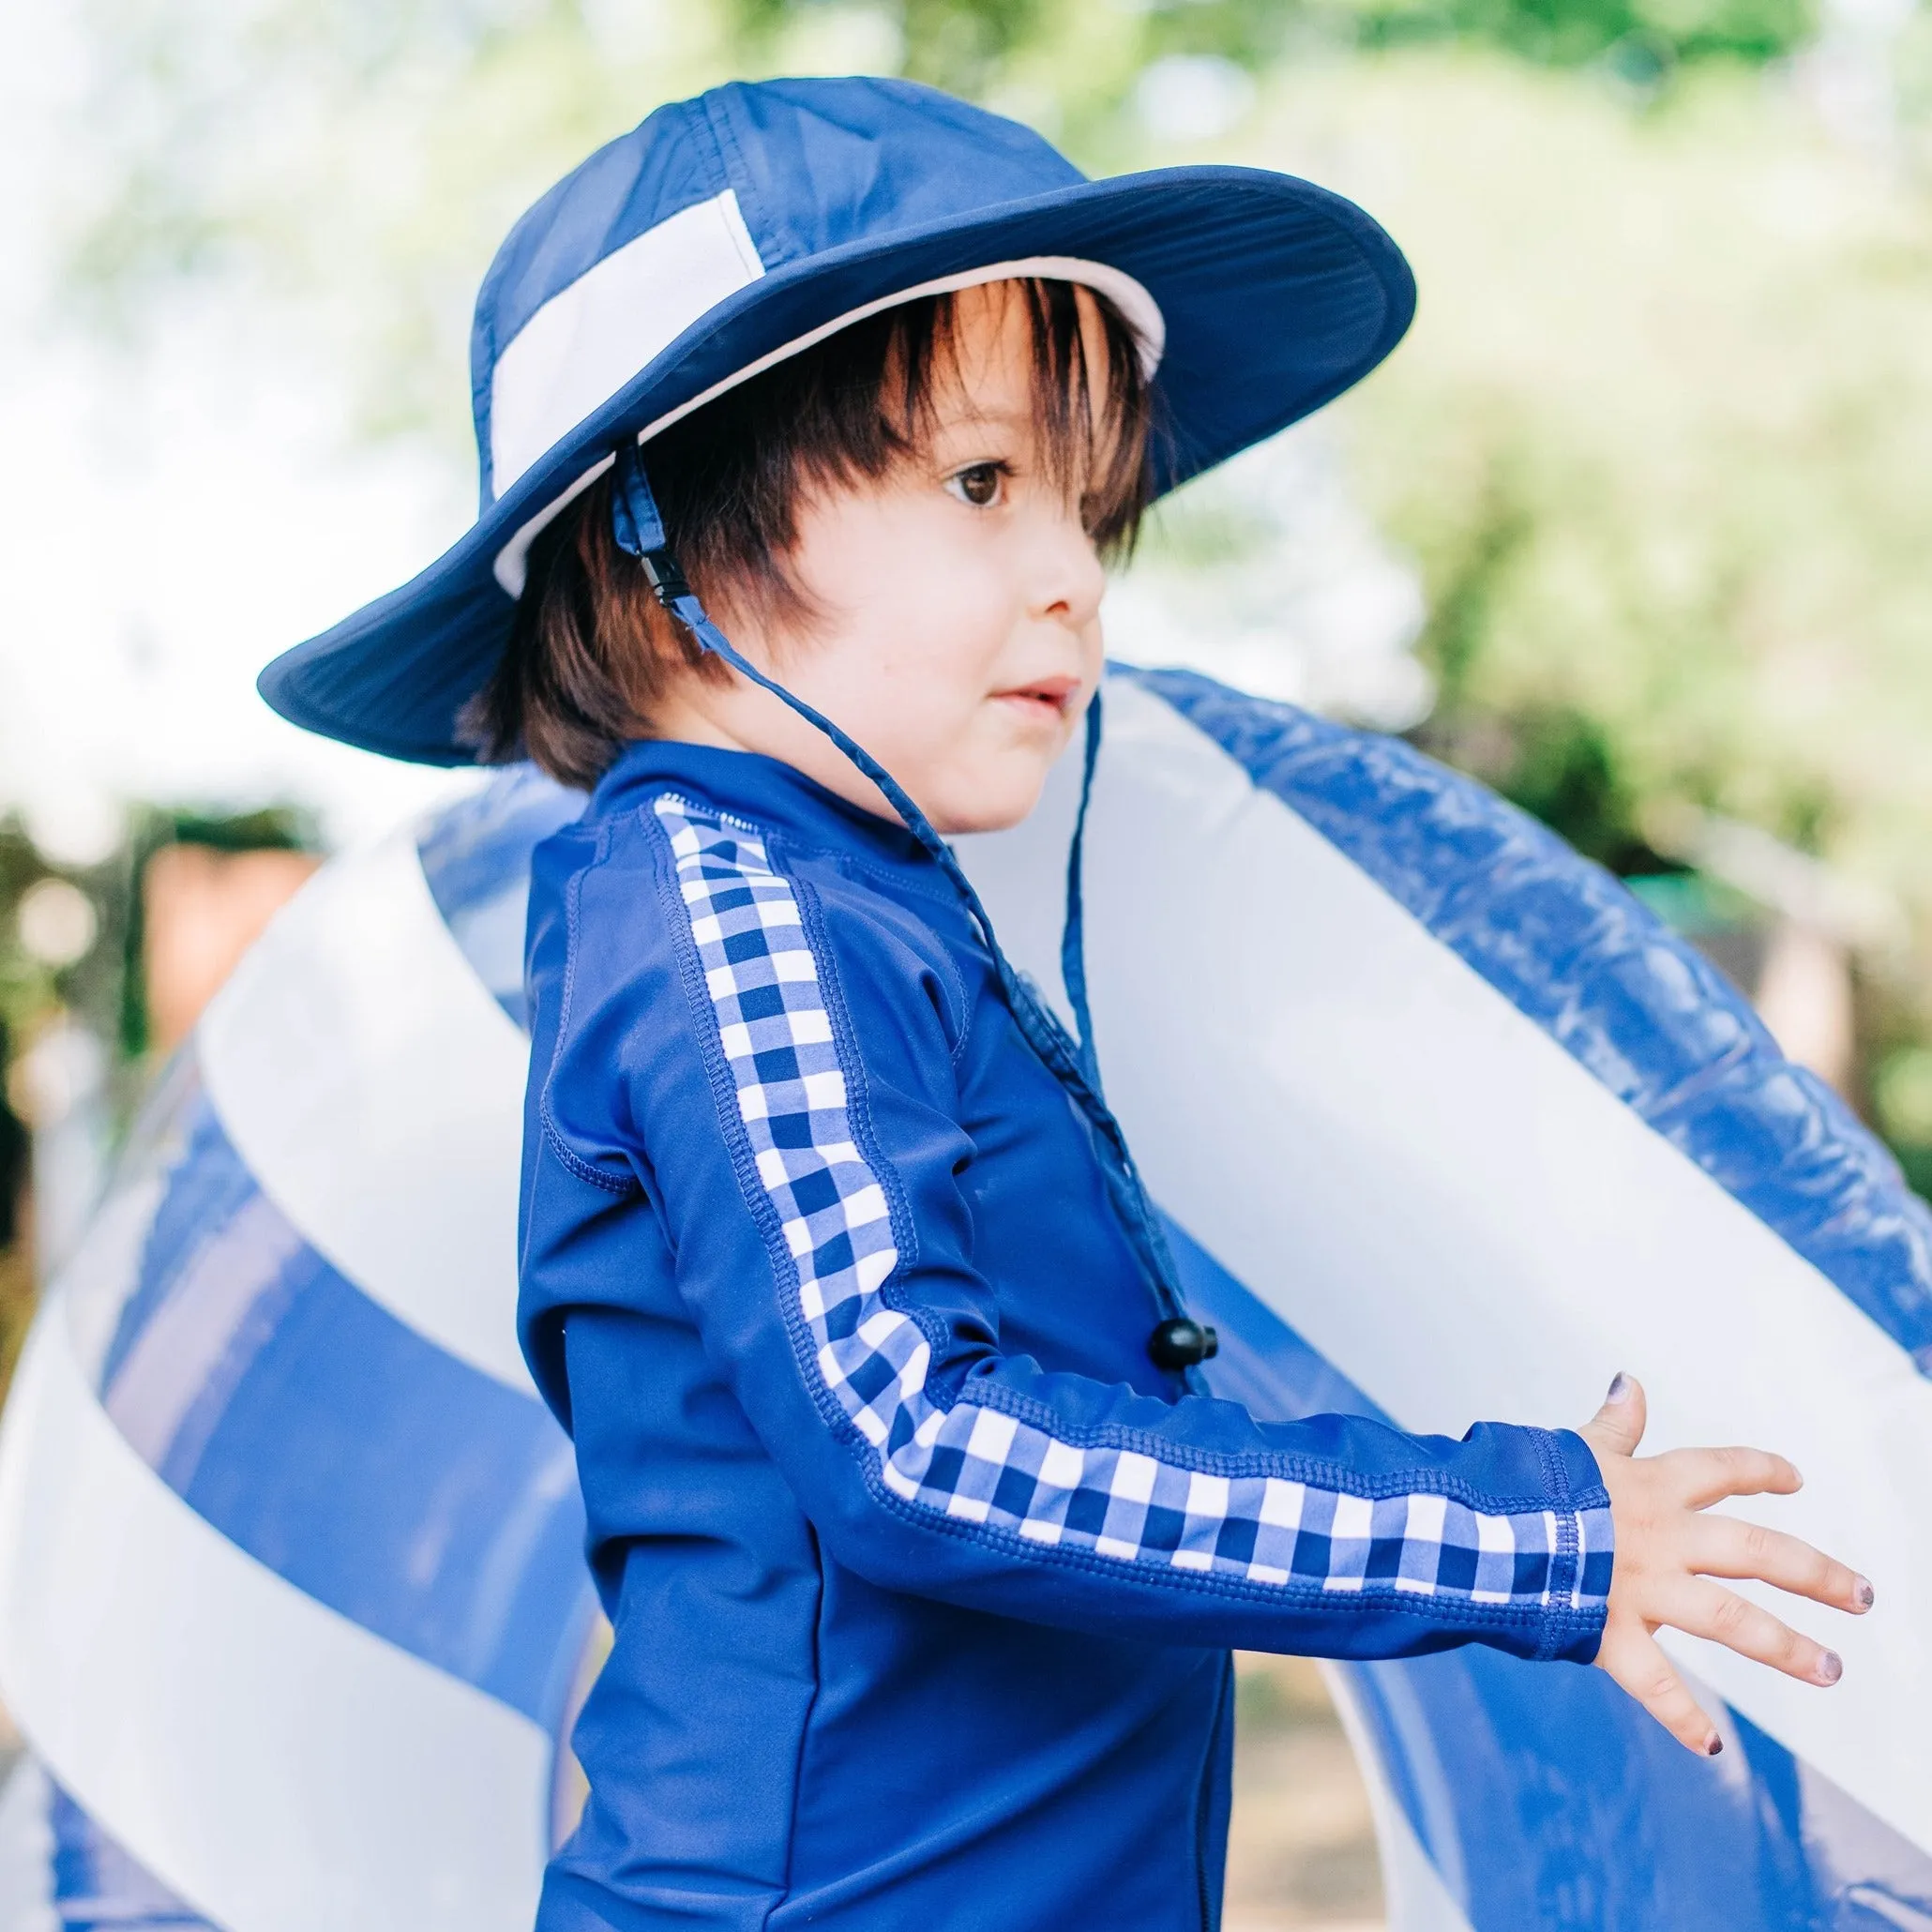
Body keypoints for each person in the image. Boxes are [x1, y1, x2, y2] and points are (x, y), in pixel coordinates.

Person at [261, 76, 1873, 1932]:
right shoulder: (726, 903)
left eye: (1089, 507)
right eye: (981, 480)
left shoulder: (859, 902)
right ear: (663, 523)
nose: (1073, 579)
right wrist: (1516, 1532)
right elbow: (915, 1438)